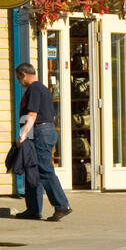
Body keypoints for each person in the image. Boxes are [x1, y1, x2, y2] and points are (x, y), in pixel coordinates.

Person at [14, 61, 72, 220]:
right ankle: (33, 209)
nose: (20, 82)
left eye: (19, 78)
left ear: (23, 74)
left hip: (39, 132)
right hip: (45, 130)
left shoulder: (33, 89)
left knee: (44, 170)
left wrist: (22, 135)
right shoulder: (44, 89)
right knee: (32, 169)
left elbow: (32, 114)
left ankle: (62, 205)